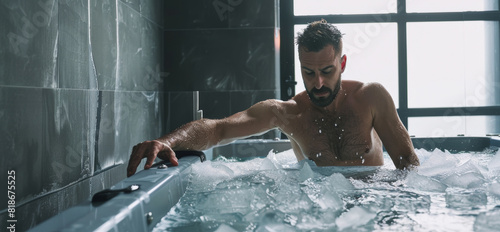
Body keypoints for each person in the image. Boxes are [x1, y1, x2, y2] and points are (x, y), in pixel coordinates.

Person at [127, 20, 419, 177]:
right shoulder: (287, 113)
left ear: (342, 64)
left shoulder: (371, 98)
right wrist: (168, 141)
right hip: (319, 208)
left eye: (327, 71)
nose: (318, 83)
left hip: (373, 203)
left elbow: (408, 165)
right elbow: (219, 129)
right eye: (308, 72)